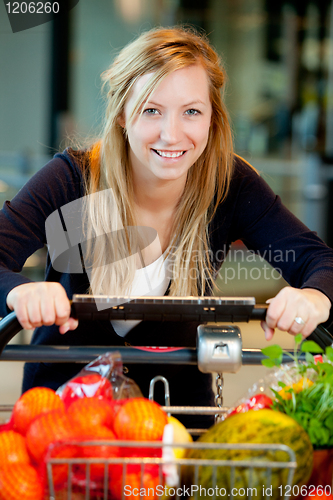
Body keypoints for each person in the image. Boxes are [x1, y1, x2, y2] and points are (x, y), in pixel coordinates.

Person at [0, 27, 332, 426]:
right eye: (152, 110)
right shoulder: (73, 179)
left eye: (191, 111)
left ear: (212, 118)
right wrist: (21, 290)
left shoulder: (229, 184)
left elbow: (316, 260)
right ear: (123, 114)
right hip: (64, 421)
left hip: (178, 416)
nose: (171, 134)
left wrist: (314, 296)